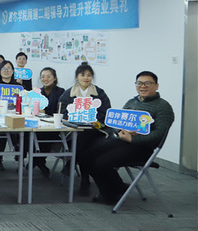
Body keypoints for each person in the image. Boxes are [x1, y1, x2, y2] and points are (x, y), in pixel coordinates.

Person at [81, 71, 174, 205]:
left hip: (142, 148)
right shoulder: (132, 102)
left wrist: (133, 139)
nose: (143, 86)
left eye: (148, 83)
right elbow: (118, 124)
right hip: (122, 142)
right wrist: (121, 132)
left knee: (101, 162)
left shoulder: (163, 107)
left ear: (156, 86)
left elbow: (159, 134)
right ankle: (117, 187)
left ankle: (110, 194)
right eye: (139, 83)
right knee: (85, 156)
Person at [59, 62, 112, 196]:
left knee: (85, 137)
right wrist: (71, 119)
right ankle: (84, 179)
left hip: (95, 130)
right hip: (72, 130)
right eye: (82, 75)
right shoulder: (68, 93)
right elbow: (62, 111)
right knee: (83, 141)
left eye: (89, 75)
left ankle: (72, 164)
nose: (86, 78)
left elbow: (106, 111)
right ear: (77, 77)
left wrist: (96, 122)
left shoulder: (99, 93)